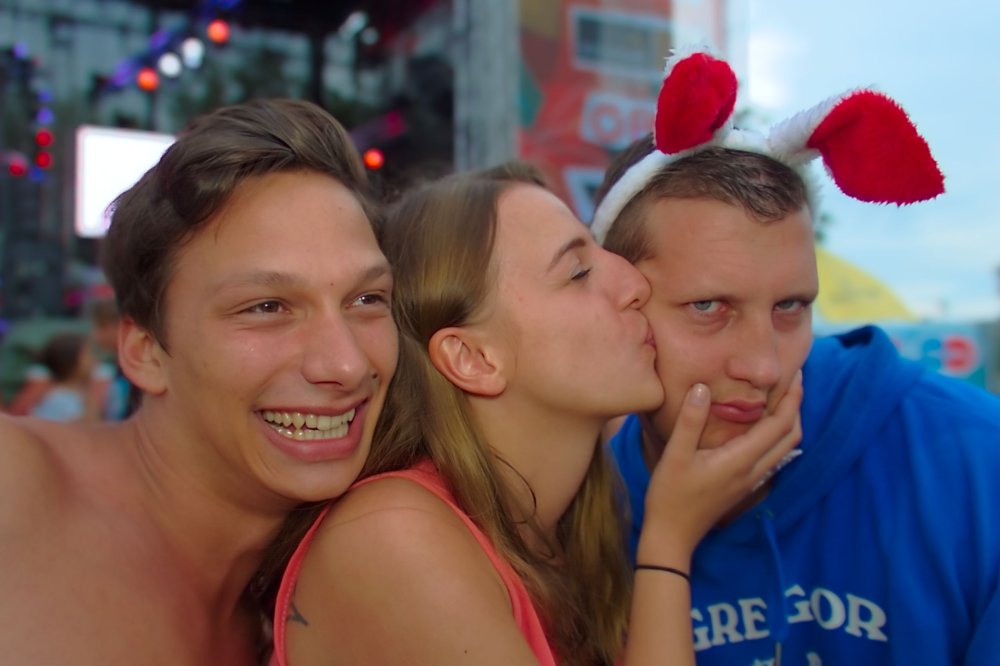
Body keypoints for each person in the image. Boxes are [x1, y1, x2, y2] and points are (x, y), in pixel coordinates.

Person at [266, 161, 803, 666]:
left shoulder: (563, 533)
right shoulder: (390, 536)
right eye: (578, 272)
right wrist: (669, 542)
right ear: (473, 359)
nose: (635, 285)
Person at [592, 47, 1000, 665]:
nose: (764, 367)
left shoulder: (976, 465)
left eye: (790, 306)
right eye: (709, 307)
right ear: (617, 304)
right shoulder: (570, 511)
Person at [0, 98, 398, 664]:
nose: (347, 364)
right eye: (266, 307)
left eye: (367, 299)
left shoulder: (353, 598)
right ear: (144, 353)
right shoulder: (15, 488)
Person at [29, 330, 99, 422]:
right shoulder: (59, 399)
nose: (94, 359)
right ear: (71, 362)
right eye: (88, 355)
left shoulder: (79, 394)